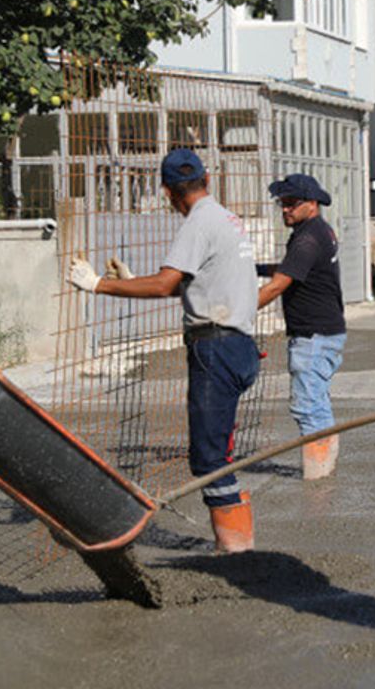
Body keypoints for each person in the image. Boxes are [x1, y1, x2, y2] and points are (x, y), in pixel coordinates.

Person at [67, 148, 259, 554]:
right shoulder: (226, 218)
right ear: (207, 180)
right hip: (240, 346)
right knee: (218, 451)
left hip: (216, 348)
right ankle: (237, 541)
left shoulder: (198, 223)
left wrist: (97, 284)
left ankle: (238, 551)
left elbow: (163, 284)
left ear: (168, 192)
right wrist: (134, 280)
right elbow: (182, 283)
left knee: (208, 460)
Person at [257, 174, 347, 481]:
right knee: (317, 403)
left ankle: (317, 480)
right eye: (282, 203)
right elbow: (290, 266)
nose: (285, 209)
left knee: (308, 407)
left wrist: (239, 313)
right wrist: (253, 268)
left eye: (292, 204)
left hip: (314, 337)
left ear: (312, 204)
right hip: (325, 333)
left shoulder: (308, 237)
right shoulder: (316, 232)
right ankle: (325, 470)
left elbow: (278, 285)